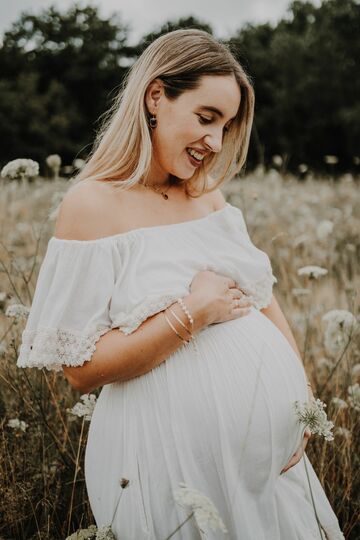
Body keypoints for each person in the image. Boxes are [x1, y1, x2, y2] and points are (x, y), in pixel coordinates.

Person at [17, 29, 345, 540]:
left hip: (268, 473)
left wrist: (302, 401)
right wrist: (194, 311)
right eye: (206, 118)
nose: (214, 142)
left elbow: (265, 302)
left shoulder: (208, 197)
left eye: (226, 125)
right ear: (155, 97)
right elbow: (80, 372)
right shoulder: (93, 204)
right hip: (163, 460)